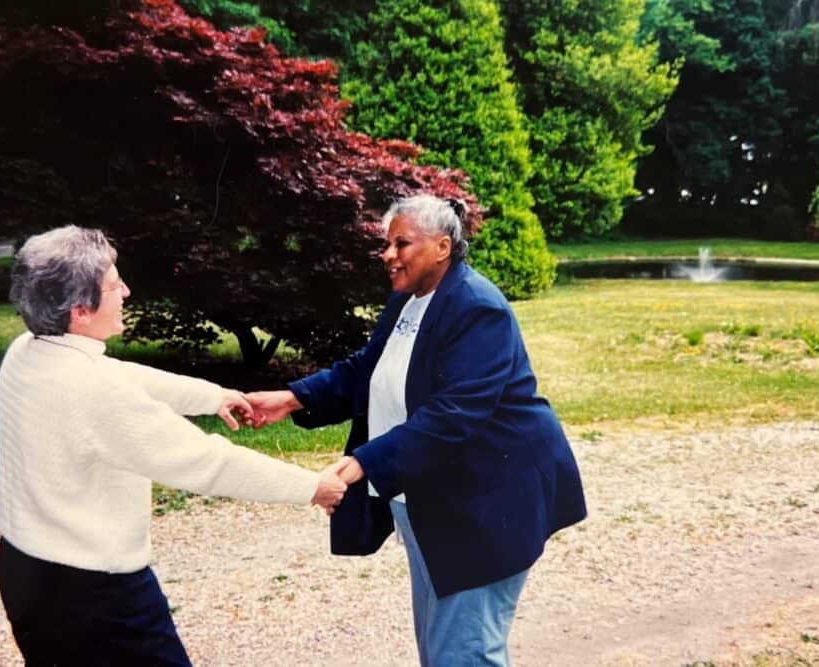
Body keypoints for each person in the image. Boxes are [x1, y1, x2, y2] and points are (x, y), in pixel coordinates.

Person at [245, 194, 587, 666]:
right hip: (431, 499)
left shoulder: (475, 307)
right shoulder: (410, 299)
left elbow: (454, 415)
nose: (389, 255)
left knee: (464, 652)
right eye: (387, 244)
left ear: (443, 246)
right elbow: (368, 367)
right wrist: (293, 398)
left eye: (401, 243)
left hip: (488, 502)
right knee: (440, 643)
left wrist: (364, 461)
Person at [0, 225, 346, 666]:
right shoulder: (96, 394)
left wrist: (211, 396)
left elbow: (122, 375)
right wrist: (312, 487)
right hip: (92, 594)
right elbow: (207, 462)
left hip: (25, 569)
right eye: (112, 284)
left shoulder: (28, 351)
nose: (125, 289)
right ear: (81, 310)